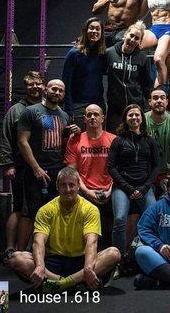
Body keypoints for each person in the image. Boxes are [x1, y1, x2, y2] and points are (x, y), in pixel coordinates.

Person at [8, 167, 121, 293]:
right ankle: (74, 284)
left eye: (71, 185)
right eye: (63, 185)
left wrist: (88, 268)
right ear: (57, 186)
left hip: (81, 262)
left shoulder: (90, 209)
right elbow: (38, 241)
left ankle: (59, 285)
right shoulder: (46, 210)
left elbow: (92, 242)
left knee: (114, 253)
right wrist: (40, 266)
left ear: (79, 186)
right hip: (53, 263)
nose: (68, 190)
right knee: (16, 259)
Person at [17, 79, 79, 222]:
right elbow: (22, 141)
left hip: (56, 172)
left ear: (64, 94)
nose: (57, 92)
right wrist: (36, 168)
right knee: (34, 214)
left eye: (60, 90)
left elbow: (61, 143)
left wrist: (76, 133)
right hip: (35, 171)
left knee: (54, 212)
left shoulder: (64, 116)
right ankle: (34, 245)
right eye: (54, 89)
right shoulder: (30, 111)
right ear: (46, 90)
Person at [0, 70, 44, 254]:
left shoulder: (46, 108)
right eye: (30, 84)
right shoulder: (15, 110)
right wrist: (8, 164)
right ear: (25, 87)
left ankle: (30, 250)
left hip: (41, 168)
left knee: (35, 209)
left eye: (37, 84)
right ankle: (11, 249)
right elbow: (5, 137)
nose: (34, 87)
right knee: (20, 208)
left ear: (43, 85)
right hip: (20, 166)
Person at [107, 104, 159, 254]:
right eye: (130, 115)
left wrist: (143, 188)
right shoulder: (118, 141)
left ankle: (149, 254)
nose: (134, 117)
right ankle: (118, 258)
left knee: (153, 218)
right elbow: (111, 167)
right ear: (125, 119)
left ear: (142, 118)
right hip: (123, 187)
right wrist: (128, 188)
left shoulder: (150, 141)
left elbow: (156, 167)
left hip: (144, 187)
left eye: (137, 115)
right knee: (119, 220)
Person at [64, 104, 116, 250]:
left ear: (103, 118)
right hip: (84, 190)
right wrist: (88, 192)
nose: (92, 117)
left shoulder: (114, 140)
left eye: (96, 114)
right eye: (89, 115)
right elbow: (71, 173)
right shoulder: (75, 139)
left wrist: (110, 191)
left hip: (109, 190)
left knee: (108, 231)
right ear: (85, 119)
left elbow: (119, 171)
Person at [105, 21, 153, 133]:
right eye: (131, 35)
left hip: (135, 107)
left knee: (134, 140)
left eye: (137, 38)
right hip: (115, 108)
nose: (132, 40)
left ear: (139, 42)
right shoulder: (109, 53)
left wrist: (148, 106)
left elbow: (147, 84)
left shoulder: (143, 58)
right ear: (125, 34)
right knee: (114, 140)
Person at [62, 17, 107, 128]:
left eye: (97, 29)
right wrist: (69, 109)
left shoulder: (102, 54)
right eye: (91, 28)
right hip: (78, 106)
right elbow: (66, 83)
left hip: (98, 103)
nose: (94, 31)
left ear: (101, 33)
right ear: (85, 30)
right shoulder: (74, 53)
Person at [145, 86, 170, 197]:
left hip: (165, 174)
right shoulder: (142, 121)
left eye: (162, 98)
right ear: (150, 102)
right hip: (146, 173)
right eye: (155, 98)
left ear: (167, 102)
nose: (159, 101)